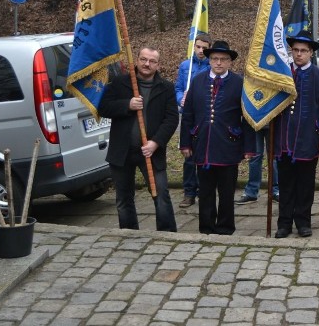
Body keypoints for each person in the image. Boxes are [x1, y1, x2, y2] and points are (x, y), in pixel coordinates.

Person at [98, 47, 178, 232]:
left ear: (158, 65)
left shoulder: (166, 88)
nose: (146, 64)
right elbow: (103, 107)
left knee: (161, 194)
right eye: (143, 59)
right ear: (137, 60)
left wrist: (155, 142)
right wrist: (127, 104)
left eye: (151, 61)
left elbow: (171, 119)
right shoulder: (120, 83)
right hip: (122, 151)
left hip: (151, 152)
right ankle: (129, 233)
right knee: (123, 197)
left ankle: (168, 235)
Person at [180, 40, 256, 234]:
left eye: (224, 59)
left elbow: (247, 118)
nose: (219, 63)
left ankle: (225, 227)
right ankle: (206, 227)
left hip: (228, 145)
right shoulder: (198, 81)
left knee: (226, 192)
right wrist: (185, 143)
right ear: (209, 60)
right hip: (202, 144)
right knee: (205, 191)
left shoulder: (239, 83)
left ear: (230, 62)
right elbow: (188, 115)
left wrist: (248, 148)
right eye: (215, 59)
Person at [272, 30, 319, 238]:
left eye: (303, 51)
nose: (299, 54)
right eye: (296, 50)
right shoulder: (282, 75)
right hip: (283, 140)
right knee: (286, 185)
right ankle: (284, 223)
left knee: (305, 185)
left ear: (311, 53)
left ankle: (303, 222)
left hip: (309, 139)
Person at [175, 33, 212, 208]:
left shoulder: (211, 67)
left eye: (204, 48)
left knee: (205, 155)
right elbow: (178, 88)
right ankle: (189, 192)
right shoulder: (185, 66)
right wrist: (181, 98)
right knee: (188, 155)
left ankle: (205, 190)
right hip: (189, 117)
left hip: (204, 116)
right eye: (198, 47)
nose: (200, 50)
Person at [235, 128, 279, 204]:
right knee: (254, 156)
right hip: (255, 122)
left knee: (274, 157)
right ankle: (251, 192)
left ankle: (276, 191)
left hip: (273, 121)